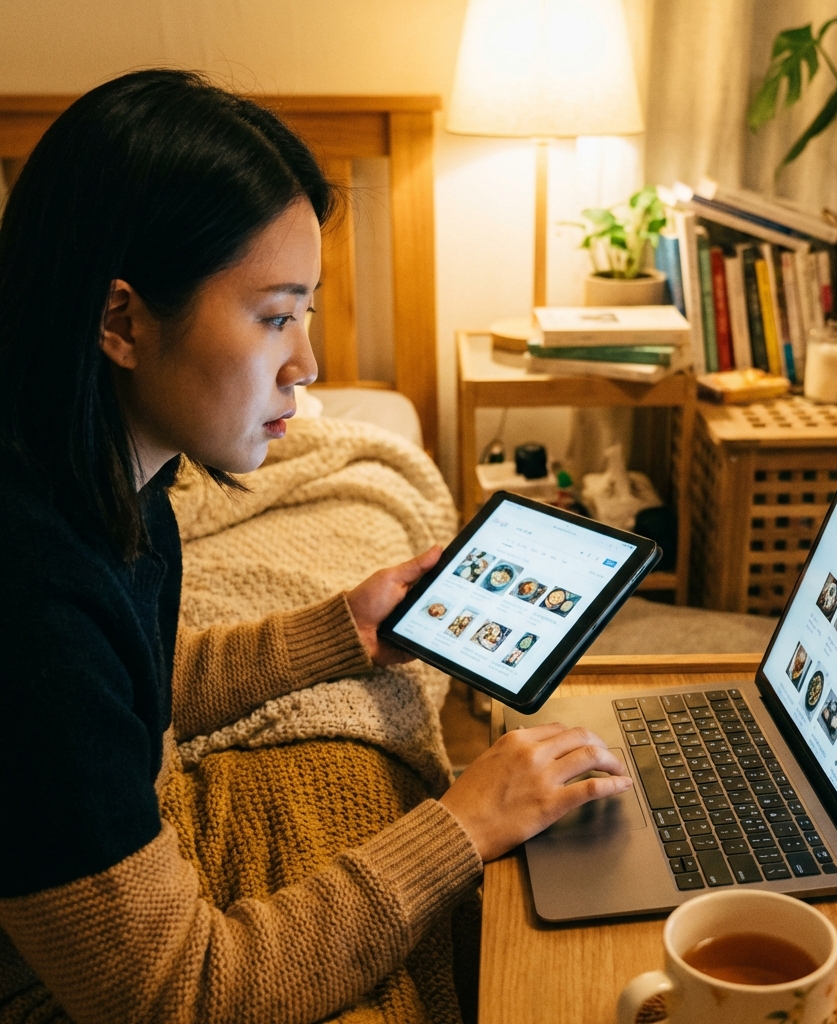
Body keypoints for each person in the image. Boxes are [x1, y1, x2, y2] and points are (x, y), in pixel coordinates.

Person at [0, 70, 631, 1024]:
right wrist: (464, 824)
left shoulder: (114, 479)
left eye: (307, 309)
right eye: (273, 317)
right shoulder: (32, 603)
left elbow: (131, 695)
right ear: (121, 321)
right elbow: (177, 995)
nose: (309, 364)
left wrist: (340, 632)